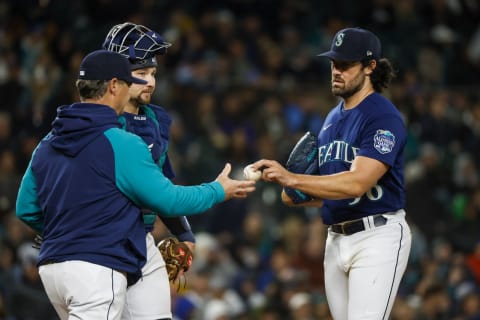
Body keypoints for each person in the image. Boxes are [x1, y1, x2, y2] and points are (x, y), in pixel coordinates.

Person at [15, 49, 255, 320]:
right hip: (96, 268)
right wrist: (218, 190)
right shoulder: (121, 142)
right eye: (130, 82)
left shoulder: (47, 143)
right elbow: (168, 200)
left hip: (54, 269)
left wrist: (68, 233)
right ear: (114, 85)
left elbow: (26, 208)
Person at [252, 27, 412, 319]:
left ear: (369, 67)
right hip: (335, 239)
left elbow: (357, 183)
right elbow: (333, 192)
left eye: (346, 65)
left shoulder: (382, 115)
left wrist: (292, 177)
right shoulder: (331, 118)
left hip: (376, 236)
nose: (336, 71)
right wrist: (299, 193)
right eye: (333, 64)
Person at [101, 21, 196, 320]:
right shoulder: (91, 120)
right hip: (97, 240)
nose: (150, 82)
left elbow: (161, 185)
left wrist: (184, 234)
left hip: (140, 239)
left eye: (152, 73)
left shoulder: (157, 120)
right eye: (141, 73)